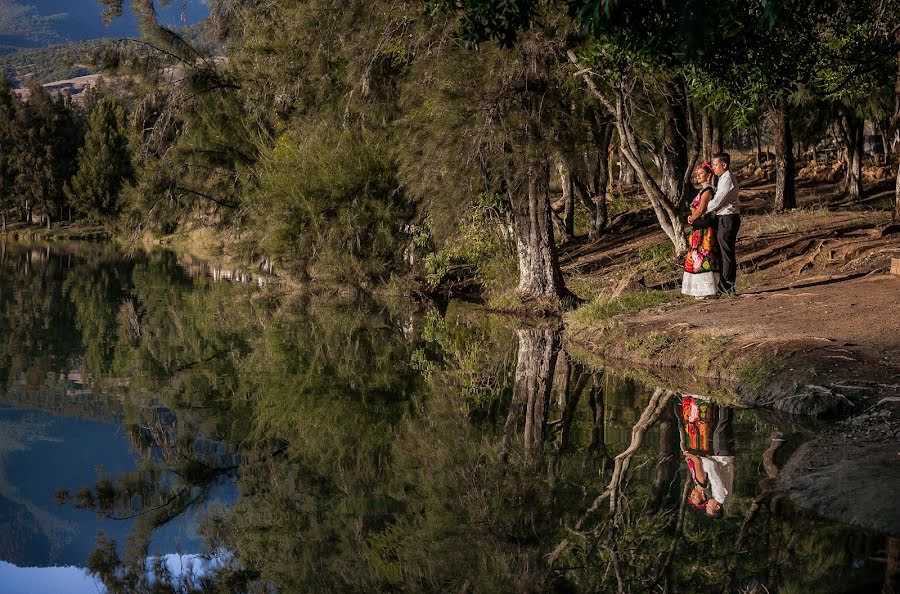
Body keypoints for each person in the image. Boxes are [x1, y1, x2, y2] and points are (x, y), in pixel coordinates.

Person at [676, 393, 735, 518]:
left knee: (718, 427)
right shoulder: (719, 495)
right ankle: (726, 398)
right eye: (709, 506)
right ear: (717, 507)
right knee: (721, 427)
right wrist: (696, 458)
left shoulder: (721, 497)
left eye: (707, 506)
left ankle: (722, 400)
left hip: (721, 456)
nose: (707, 504)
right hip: (722, 455)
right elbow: (712, 470)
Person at [683, 162, 720, 298]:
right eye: (697, 174)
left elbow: (702, 208)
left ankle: (708, 290)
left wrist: (692, 217)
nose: (698, 176)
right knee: (697, 257)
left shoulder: (708, 190)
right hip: (698, 229)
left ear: (709, 175)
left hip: (705, 230)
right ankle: (700, 291)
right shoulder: (702, 191)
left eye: (701, 174)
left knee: (705, 256)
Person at [706, 152, 741, 295]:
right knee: (723, 252)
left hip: (728, 218)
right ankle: (725, 285)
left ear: (724, 165)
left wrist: (702, 209)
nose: (713, 168)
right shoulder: (722, 179)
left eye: (715, 165)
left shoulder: (727, 179)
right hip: (724, 218)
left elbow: (718, 201)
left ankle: (726, 287)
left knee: (726, 253)